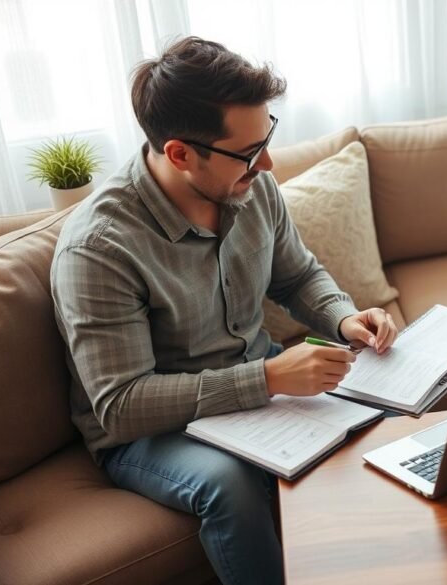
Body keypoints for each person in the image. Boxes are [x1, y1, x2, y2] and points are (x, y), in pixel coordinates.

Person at [51, 37, 397, 585]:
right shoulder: (99, 248)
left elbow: (298, 276)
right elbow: (121, 404)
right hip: (152, 430)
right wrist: (265, 379)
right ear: (180, 154)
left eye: (267, 138)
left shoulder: (252, 188)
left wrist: (343, 317)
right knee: (229, 484)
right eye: (247, 151)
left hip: (258, 391)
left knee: (386, 416)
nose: (267, 163)